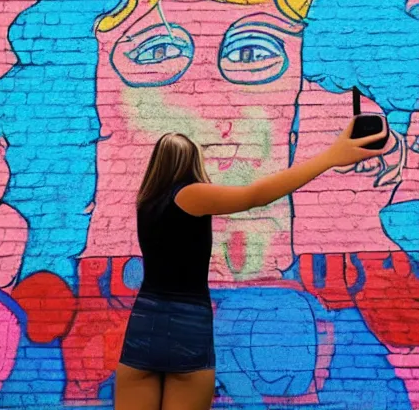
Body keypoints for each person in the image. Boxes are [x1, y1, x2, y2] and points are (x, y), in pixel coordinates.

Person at [115, 119, 389, 410]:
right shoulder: (189, 195)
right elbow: (255, 196)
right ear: (191, 163)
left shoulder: (146, 203)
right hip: (186, 325)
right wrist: (330, 157)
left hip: (144, 322)